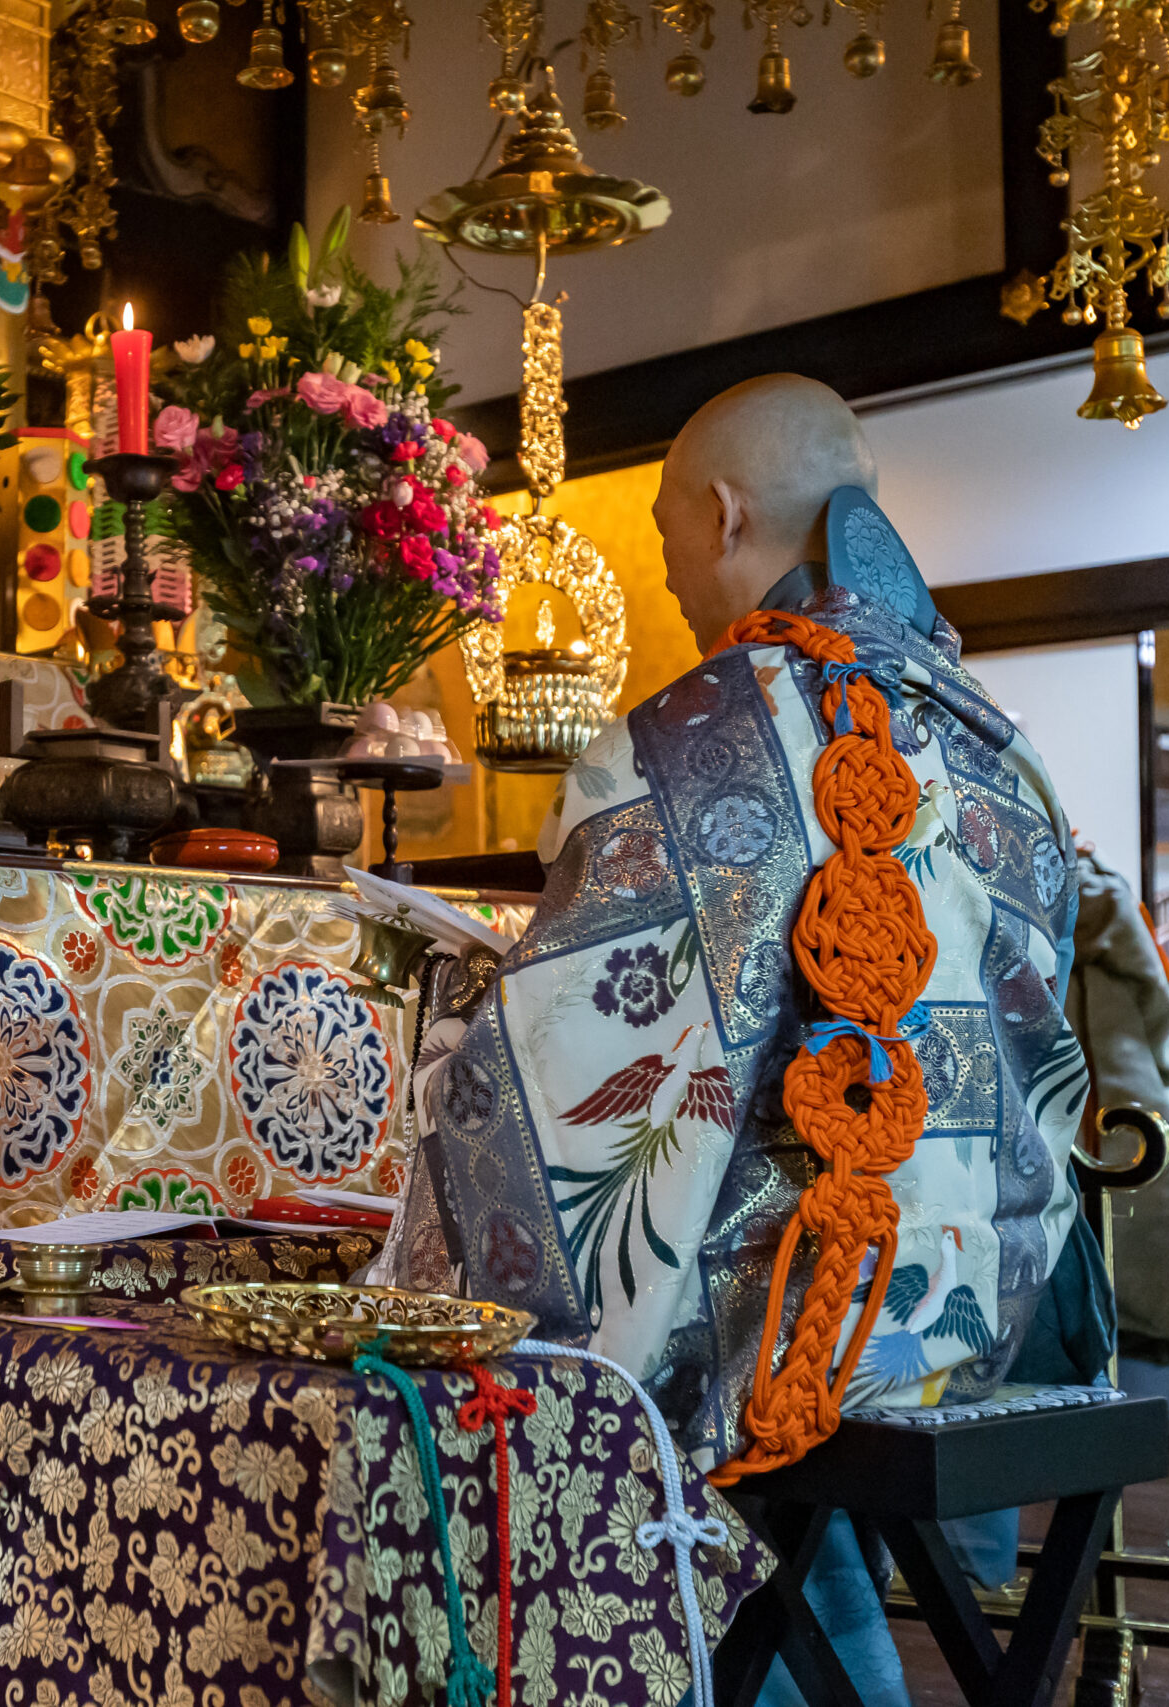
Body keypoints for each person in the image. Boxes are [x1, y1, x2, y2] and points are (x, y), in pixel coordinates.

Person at [414, 374, 1106, 1704]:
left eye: (670, 535)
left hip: (801, 1329)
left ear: (725, 514)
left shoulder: (684, 743)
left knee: (513, 1377)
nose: (675, 579)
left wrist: (456, 1021)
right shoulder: (1005, 749)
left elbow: (562, 1095)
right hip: (991, 1302)